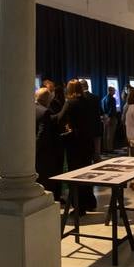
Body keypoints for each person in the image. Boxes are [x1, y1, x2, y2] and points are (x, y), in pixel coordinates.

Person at [57, 79, 97, 214]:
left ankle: (79, 207)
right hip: (88, 141)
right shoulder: (89, 101)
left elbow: (59, 119)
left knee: (75, 174)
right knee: (87, 173)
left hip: (75, 143)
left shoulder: (70, 102)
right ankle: (90, 202)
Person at [35, 86, 64, 200]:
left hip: (37, 150)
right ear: (47, 99)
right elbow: (42, 133)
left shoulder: (31, 108)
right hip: (47, 150)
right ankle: (50, 199)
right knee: (47, 176)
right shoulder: (45, 111)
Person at [80, 79, 103, 162]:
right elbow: (99, 112)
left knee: (87, 153)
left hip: (85, 129)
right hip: (96, 126)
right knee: (97, 152)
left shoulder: (80, 99)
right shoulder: (95, 97)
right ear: (88, 86)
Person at [101, 86, 118, 153]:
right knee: (110, 134)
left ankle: (105, 148)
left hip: (105, 117)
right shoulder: (112, 99)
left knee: (105, 134)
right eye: (114, 91)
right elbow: (112, 109)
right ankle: (110, 149)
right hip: (111, 117)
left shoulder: (103, 99)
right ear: (110, 91)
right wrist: (110, 117)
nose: (115, 92)